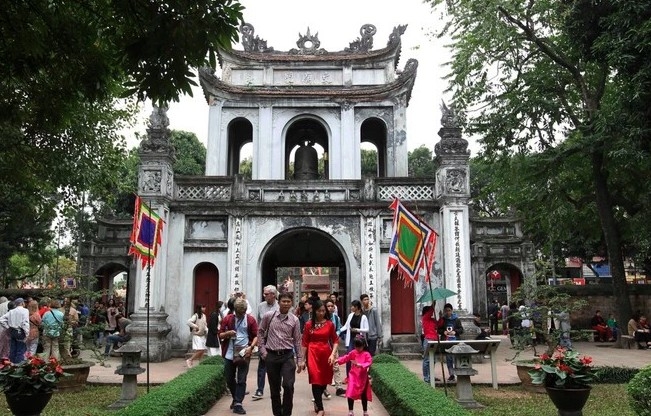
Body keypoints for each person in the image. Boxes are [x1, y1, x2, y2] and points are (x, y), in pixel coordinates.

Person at [258, 292, 303, 416]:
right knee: (274, 389)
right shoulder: (269, 316)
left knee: (288, 385)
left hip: (287, 356)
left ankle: (286, 413)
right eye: (284, 301)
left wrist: (300, 359)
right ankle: (277, 413)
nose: (286, 304)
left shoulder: (295, 320)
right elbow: (260, 332)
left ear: (291, 303)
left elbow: (297, 340)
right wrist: (263, 351)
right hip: (271, 356)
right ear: (279, 302)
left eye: (288, 301)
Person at [219, 298, 258, 415]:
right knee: (229, 378)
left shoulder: (250, 320)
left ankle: (238, 403)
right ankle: (236, 399)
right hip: (229, 353)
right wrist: (227, 333)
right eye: (238, 313)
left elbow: (256, 336)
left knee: (242, 379)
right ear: (234, 310)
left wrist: (250, 348)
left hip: (244, 352)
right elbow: (220, 334)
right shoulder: (228, 319)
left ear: (246, 310)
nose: (241, 315)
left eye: (243, 312)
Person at [300, 300, 338, 416]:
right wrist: (302, 360)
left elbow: (335, 340)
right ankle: (320, 408)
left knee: (325, 379)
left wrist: (333, 354)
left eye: (323, 311)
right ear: (314, 311)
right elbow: (305, 342)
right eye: (319, 311)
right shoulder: (308, 325)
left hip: (326, 353)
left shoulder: (329, 324)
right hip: (312, 353)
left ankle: (317, 401)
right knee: (315, 379)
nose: (321, 313)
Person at [252, 285, 279, 401]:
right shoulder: (260, 306)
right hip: (264, 339)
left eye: (266, 294)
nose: (264, 296)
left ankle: (277, 388)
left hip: (278, 339)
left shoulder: (280, 306)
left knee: (277, 365)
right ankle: (259, 389)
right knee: (262, 365)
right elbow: (258, 324)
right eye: (264, 294)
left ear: (273, 294)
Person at [337, 337, 373, 416]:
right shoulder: (353, 352)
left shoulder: (366, 354)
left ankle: (365, 411)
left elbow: (369, 362)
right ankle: (350, 410)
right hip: (353, 376)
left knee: (364, 394)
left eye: (359, 346)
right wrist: (338, 360)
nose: (358, 348)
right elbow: (346, 357)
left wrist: (361, 365)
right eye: (356, 346)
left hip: (362, 377)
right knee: (350, 392)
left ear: (363, 346)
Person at [339, 299, 369, 380]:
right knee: (349, 356)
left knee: (360, 357)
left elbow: (367, 329)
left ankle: (360, 375)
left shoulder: (363, 317)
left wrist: (357, 330)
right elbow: (346, 326)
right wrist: (338, 331)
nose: (351, 307)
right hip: (351, 339)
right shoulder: (350, 315)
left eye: (353, 306)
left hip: (359, 339)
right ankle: (348, 376)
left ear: (357, 307)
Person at [438, 303, 464, 382]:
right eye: (446, 311)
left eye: (449, 310)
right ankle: (451, 374)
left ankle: (458, 373)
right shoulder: (443, 320)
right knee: (449, 358)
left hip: (455, 341)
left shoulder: (456, 319)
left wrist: (455, 332)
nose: (448, 312)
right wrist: (443, 332)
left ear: (452, 311)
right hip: (446, 341)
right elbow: (439, 329)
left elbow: (461, 330)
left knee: (456, 358)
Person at [0, 297, 30, 363]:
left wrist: (7, 327)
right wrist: (27, 333)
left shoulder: (11, 311)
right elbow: (25, 323)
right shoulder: (25, 311)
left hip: (12, 331)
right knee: (20, 349)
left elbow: (1, 319)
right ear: (22, 303)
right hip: (20, 331)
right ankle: (18, 366)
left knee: (12, 349)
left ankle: (11, 364)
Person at [421, 305, 442, 384]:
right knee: (426, 360)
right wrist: (433, 304)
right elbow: (430, 312)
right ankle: (426, 378)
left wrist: (440, 316)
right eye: (429, 311)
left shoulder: (432, 320)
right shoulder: (425, 318)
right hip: (428, 340)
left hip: (434, 340)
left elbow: (439, 324)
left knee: (433, 360)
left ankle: (431, 375)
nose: (431, 313)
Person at [325, 299, 343, 394]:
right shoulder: (322, 318)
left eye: (332, 306)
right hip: (324, 345)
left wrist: (335, 334)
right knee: (324, 366)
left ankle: (339, 387)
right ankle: (323, 388)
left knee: (336, 365)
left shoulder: (336, 318)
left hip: (333, 345)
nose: (330, 308)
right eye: (328, 306)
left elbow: (339, 328)